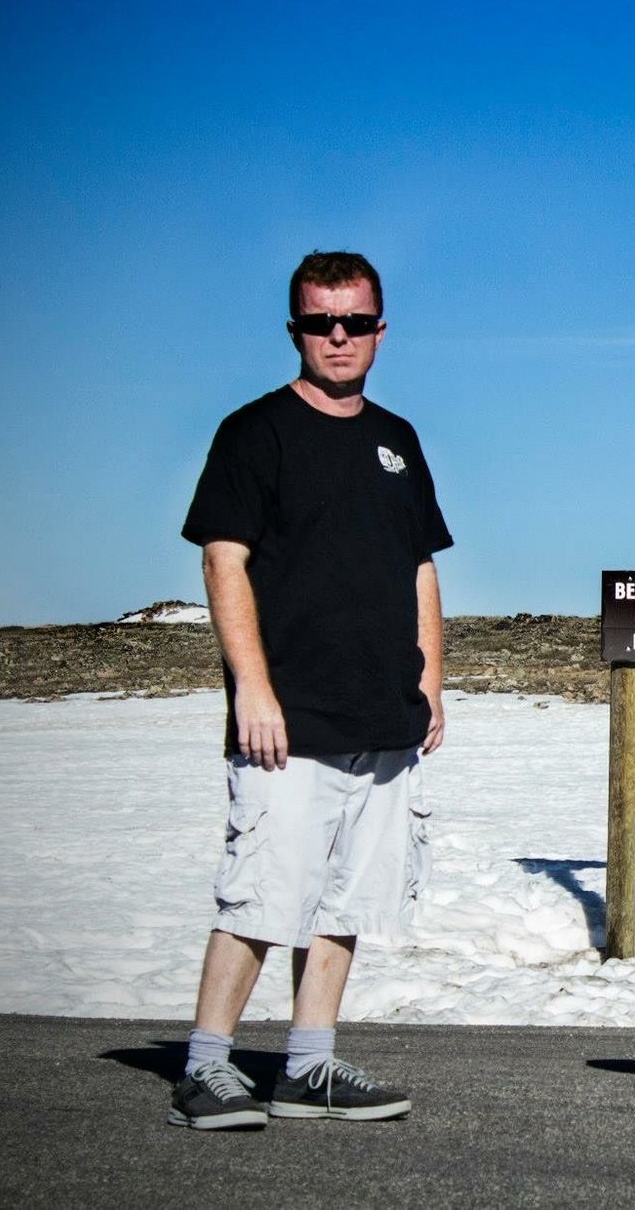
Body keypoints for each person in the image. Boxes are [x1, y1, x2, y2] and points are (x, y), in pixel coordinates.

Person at [168, 251, 453, 1130]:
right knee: (260, 896)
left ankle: (307, 1064)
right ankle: (204, 1068)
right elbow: (223, 559)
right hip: (286, 723)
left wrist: (431, 679)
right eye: (320, 322)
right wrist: (251, 689)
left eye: (354, 321)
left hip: (382, 717)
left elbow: (418, 566)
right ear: (294, 329)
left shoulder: (397, 439)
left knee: (346, 901)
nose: (338, 336)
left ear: (379, 330)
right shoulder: (255, 432)